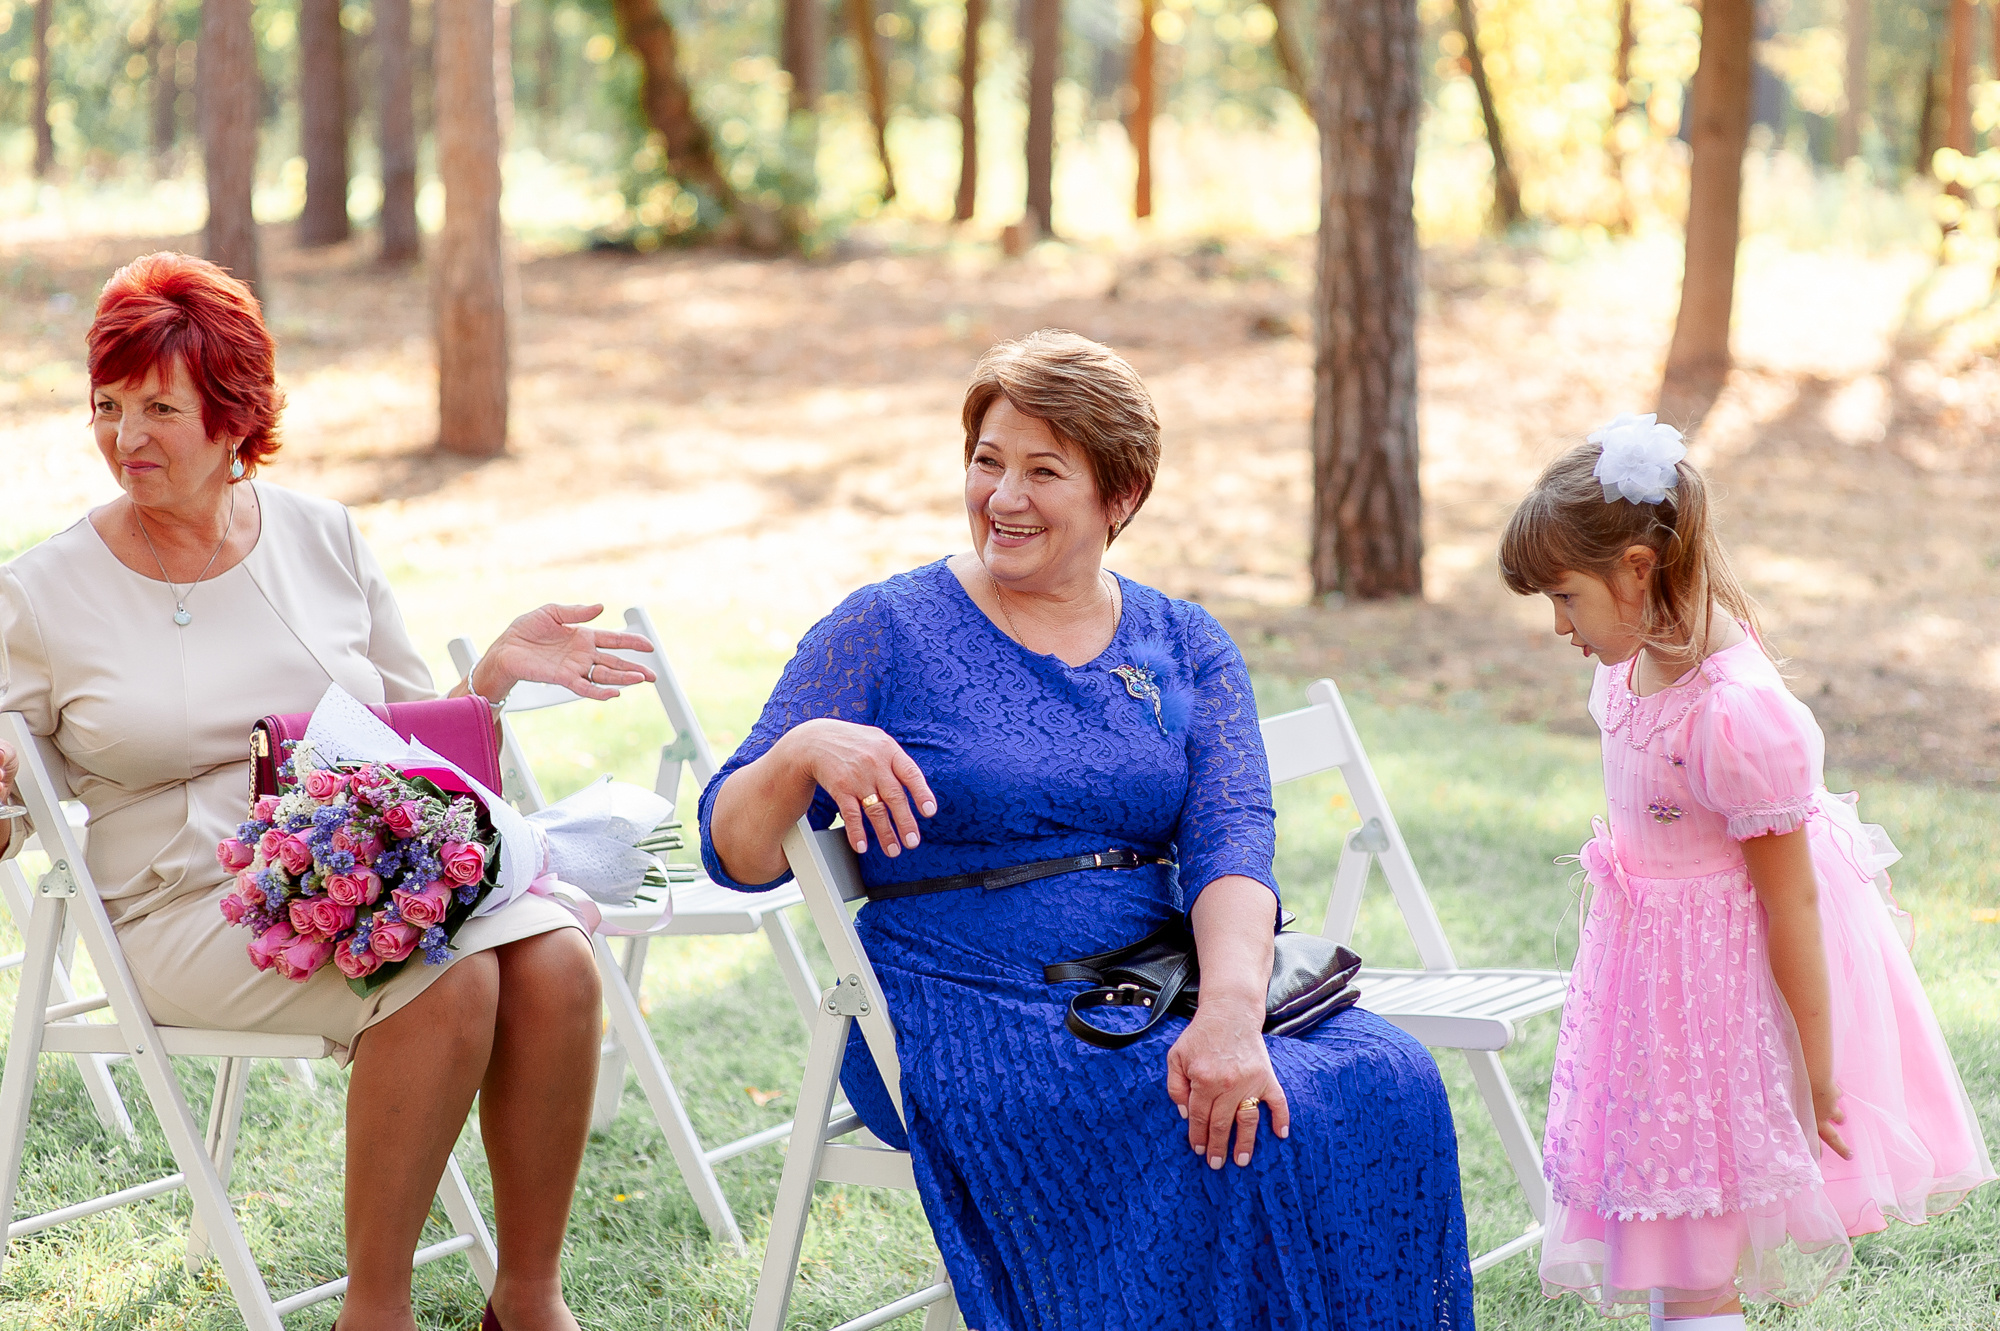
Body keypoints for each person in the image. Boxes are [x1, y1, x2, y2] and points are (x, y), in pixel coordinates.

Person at [702, 330, 1476, 1329]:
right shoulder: (883, 628)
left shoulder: (1185, 640)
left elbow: (1232, 839)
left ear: (1120, 497)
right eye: (985, 461)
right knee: (1227, 1130)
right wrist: (803, 746)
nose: (1001, 496)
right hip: (964, 1003)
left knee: (1383, 1078)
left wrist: (1232, 1010)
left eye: (1041, 470)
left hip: (1154, 974)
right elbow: (734, 850)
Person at [0, 252, 656, 1331]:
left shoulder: (322, 536)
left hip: (361, 861)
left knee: (554, 962)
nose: (126, 438)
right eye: (107, 407)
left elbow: (411, 746)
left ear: (232, 416)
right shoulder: (41, 589)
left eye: (160, 408)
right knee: (445, 981)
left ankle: (528, 1299)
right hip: (176, 906)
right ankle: (375, 1312)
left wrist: (487, 678)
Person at [1498, 414, 1995, 1328]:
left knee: (1693, 1257)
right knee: (1668, 1239)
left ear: (1637, 570)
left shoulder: (1738, 716)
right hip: (1652, 997)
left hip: (1723, 1016)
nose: (1559, 624)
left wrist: (1817, 1071)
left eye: (1565, 597)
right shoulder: (1630, 663)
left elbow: (1794, 902)